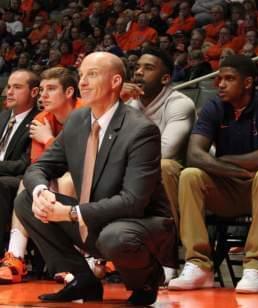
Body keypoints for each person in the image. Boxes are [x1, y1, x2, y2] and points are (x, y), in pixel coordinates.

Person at [14, 52, 177, 305]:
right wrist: (41, 193)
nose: (83, 83)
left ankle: (147, 280)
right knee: (26, 200)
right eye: (81, 76)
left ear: (115, 82)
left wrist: (70, 213)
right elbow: (40, 167)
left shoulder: (141, 130)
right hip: (93, 220)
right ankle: (82, 279)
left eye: (92, 74)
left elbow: (133, 201)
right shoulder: (78, 119)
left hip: (138, 223)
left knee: (115, 237)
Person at [168, 55, 258, 293]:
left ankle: (256, 267)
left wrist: (222, 160)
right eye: (219, 78)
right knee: (190, 175)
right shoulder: (214, 107)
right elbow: (194, 155)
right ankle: (198, 264)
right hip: (229, 188)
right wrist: (234, 169)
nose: (220, 84)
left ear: (248, 82)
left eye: (229, 79)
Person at [0, 67, 82, 284]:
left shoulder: (85, 113)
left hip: (89, 177)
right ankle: (15, 258)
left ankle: (71, 263)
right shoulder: (43, 118)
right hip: (57, 175)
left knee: (66, 181)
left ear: (69, 92)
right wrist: (39, 188)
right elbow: (38, 166)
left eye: (51, 89)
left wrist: (48, 140)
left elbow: (83, 162)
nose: (43, 95)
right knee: (27, 185)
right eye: (43, 89)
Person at [123, 46, 195, 282]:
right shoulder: (127, 106)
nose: (139, 72)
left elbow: (166, 151)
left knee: (162, 166)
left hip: (178, 181)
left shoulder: (179, 104)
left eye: (148, 68)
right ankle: (99, 259)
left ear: (165, 78)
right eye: (137, 67)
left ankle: (168, 259)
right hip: (138, 177)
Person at [0, 69, 39, 257]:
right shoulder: (2, 116)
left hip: (19, 180)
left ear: (33, 92)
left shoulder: (39, 120)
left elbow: (26, 163)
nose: (9, 92)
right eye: (8, 87)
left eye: (17, 87)